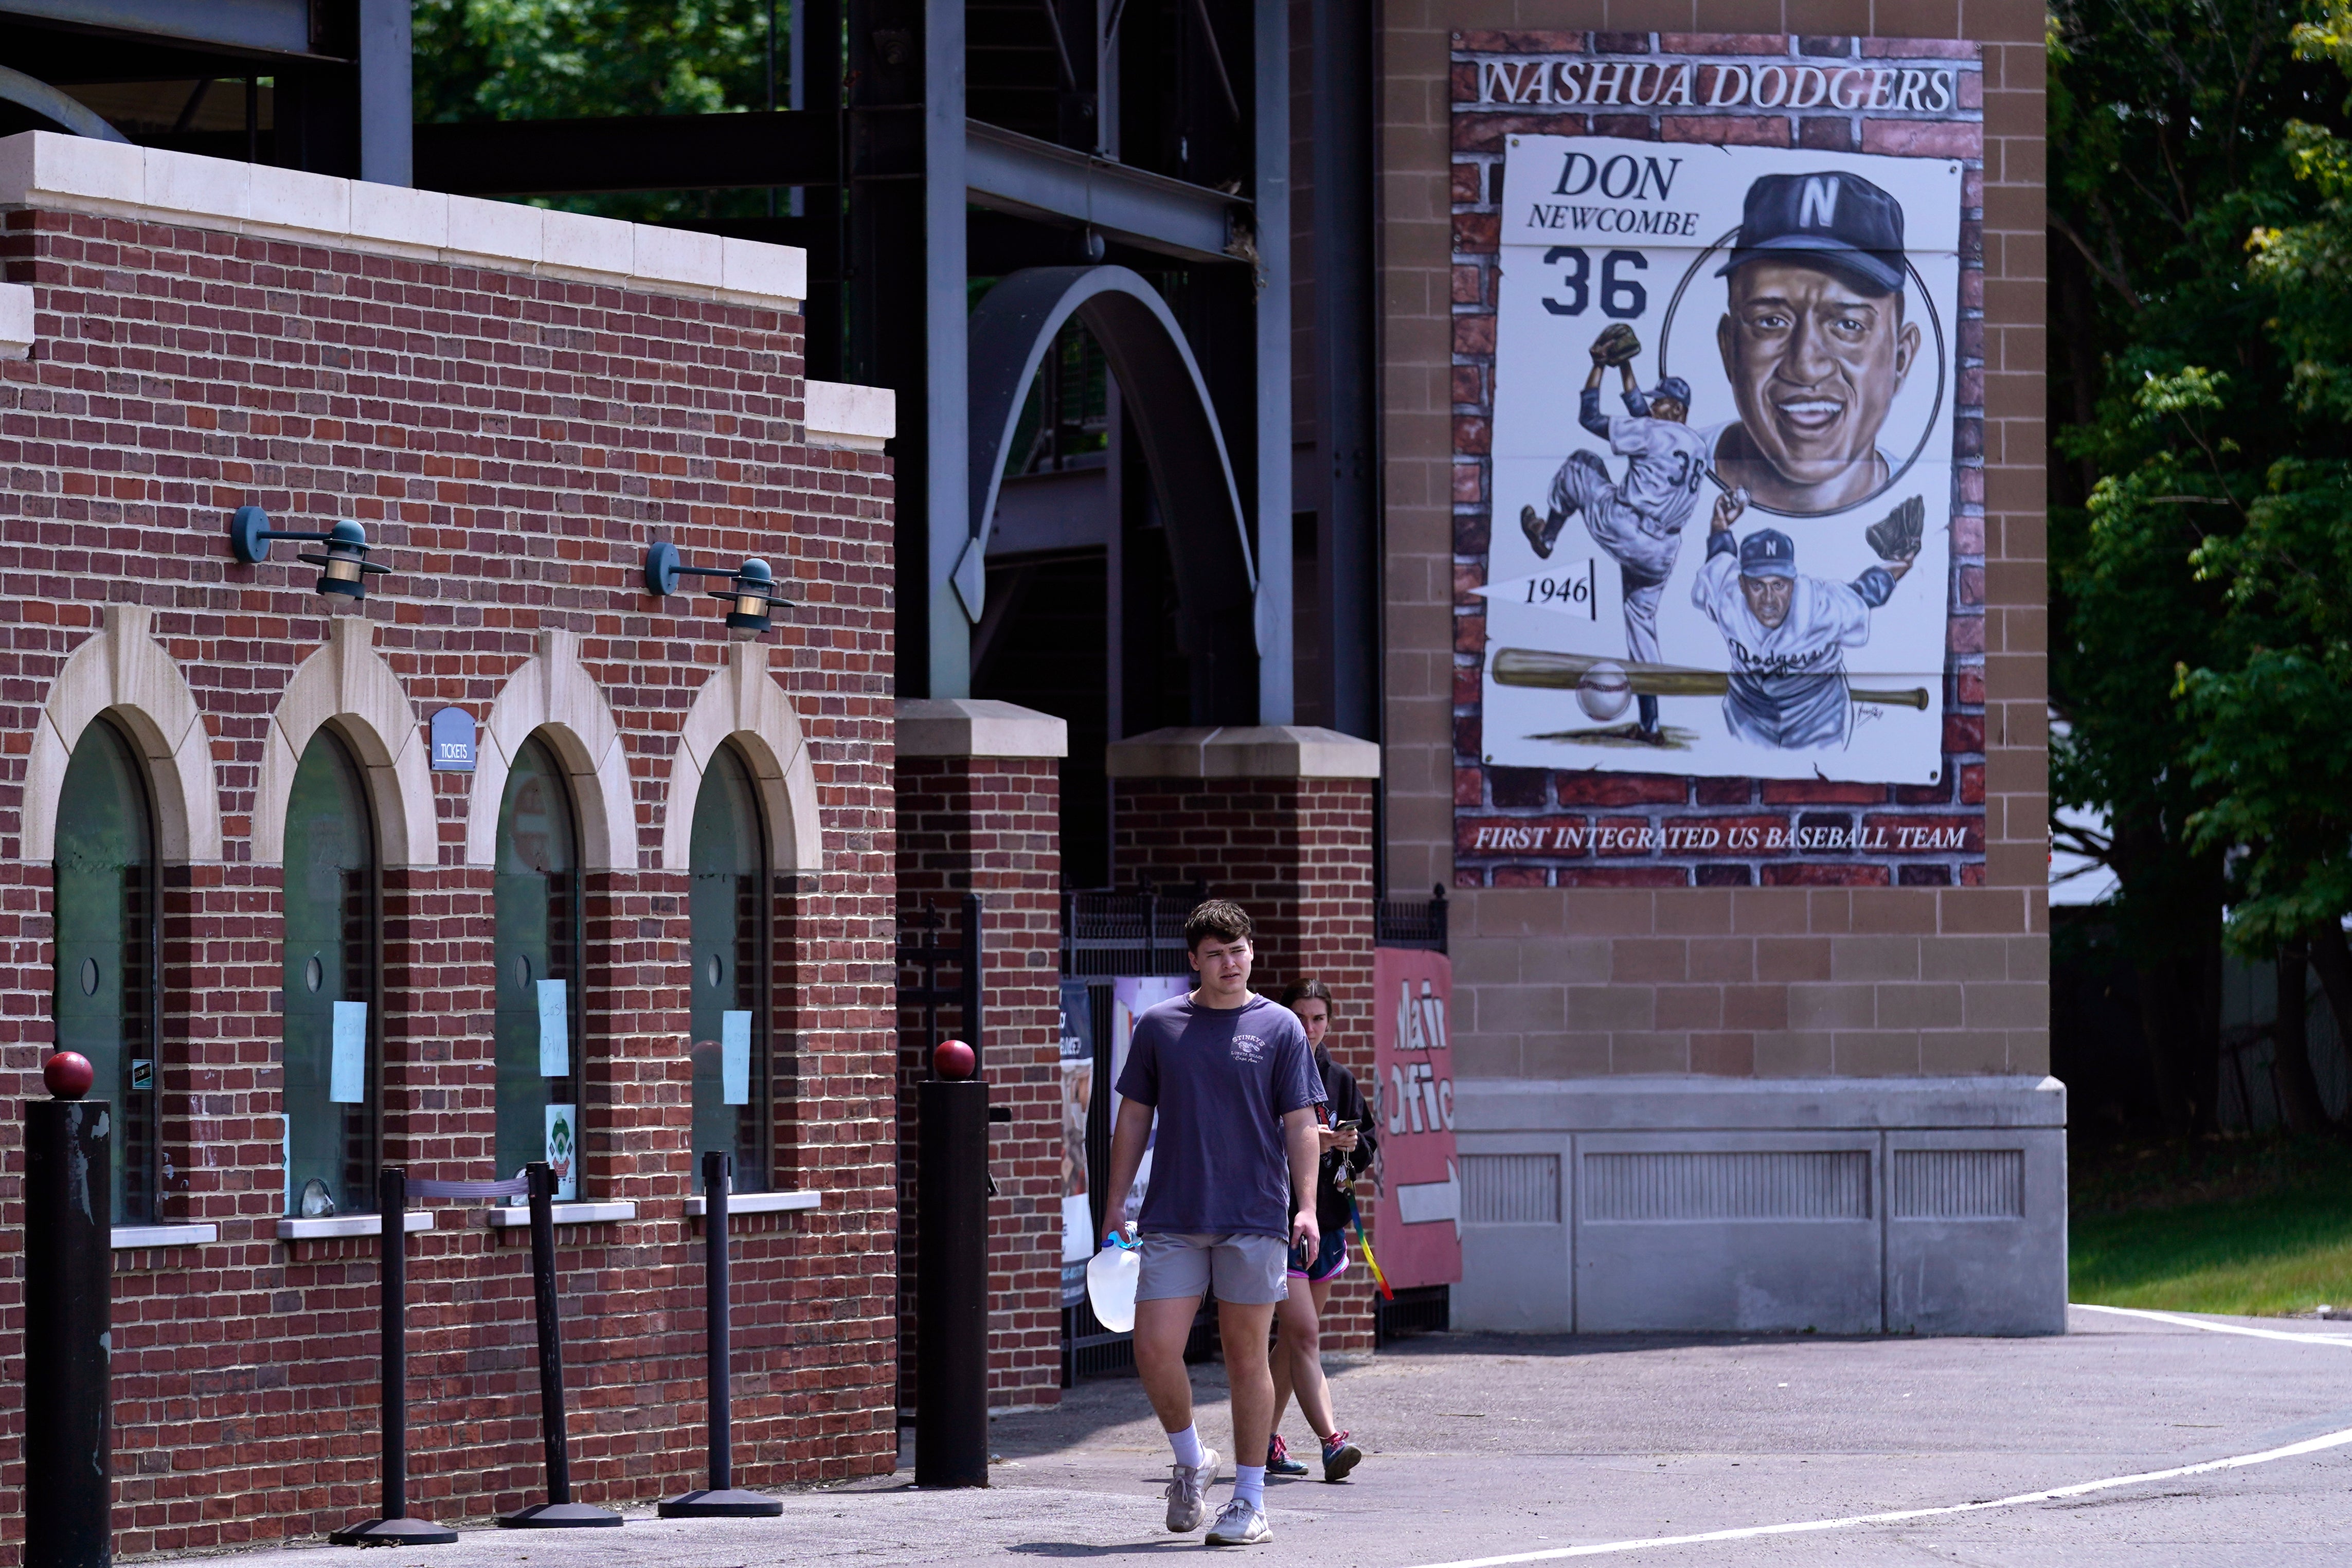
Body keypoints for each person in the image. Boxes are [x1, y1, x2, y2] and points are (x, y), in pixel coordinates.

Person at [1101, 899, 1325, 1547]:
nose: (1231, 963)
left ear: (1251, 951)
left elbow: (1301, 1125)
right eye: (1216, 953)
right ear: (1193, 960)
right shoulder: (1160, 1025)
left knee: (1243, 1354)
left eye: (1239, 950)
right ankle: (1192, 1458)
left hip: (1254, 1214)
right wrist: (1116, 1202)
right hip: (1173, 1212)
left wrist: (1305, 1205)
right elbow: (1133, 1119)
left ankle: (1250, 1500)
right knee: (1153, 1346)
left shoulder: (1281, 1028)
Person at [1519, 336, 1710, 745]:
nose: (1650, 404)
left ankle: (1547, 536)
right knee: (1642, 627)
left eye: (1660, 402)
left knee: (1581, 463)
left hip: (1626, 525)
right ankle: (1651, 726)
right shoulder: (1697, 445)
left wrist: (1599, 367)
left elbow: (1589, 418)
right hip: (1663, 552)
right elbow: (1641, 411)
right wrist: (1626, 368)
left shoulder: (1654, 432)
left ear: (1674, 410)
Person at [1709, 170, 1922, 515]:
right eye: (1771, 322)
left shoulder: (1925, 502)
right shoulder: (1654, 475)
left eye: (1848, 325)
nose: (1805, 366)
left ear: (1900, 358)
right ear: (1728, 348)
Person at [1690, 489, 1917, 749]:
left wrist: (1903, 564)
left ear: (1794, 584)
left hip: (1820, 721)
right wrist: (1719, 525)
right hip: (1747, 717)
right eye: (1757, 586)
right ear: (1741, 585)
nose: (1769, 599)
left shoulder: (1820, 606)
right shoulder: (1727, 599)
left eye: (1779, 585)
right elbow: (1719, 562)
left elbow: (1867, 592)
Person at [1263, 978, 1373, 1485]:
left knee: (1293, 1342)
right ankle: (1333, 1442)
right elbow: (1259, 1138)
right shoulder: (1270, 1071)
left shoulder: (1339, 1078)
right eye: (1300, 1017)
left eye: (1318, 1019)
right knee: (1305, 1333)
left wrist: (1348, 1144)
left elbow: (1368, 1139)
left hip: (1327, 1222)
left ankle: (1262, 1439)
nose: (1309, 1028)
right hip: (1281, 1223)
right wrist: (1313, 1140)